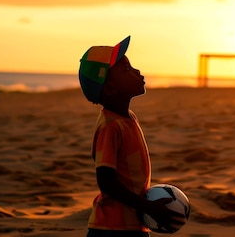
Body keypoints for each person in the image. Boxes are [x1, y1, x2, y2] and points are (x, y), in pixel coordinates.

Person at [79, 36, 185, 237]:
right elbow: (106, 181)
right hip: (111, 228)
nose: (136, 71)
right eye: (126, 70)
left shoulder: (128, 118)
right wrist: (148, 207)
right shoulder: (111, 126)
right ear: (109, 88)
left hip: (132, 224)